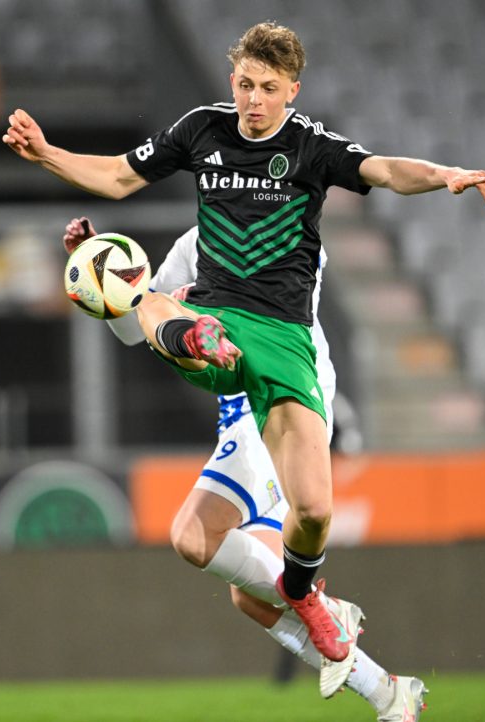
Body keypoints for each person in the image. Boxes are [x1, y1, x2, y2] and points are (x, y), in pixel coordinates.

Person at [5, 17, 485, 688]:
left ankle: (306, 597)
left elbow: (383, 170)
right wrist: (49, 158)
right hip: (216, 322)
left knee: (314, 513)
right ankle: (193, 336)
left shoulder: (311, 148)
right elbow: (121, 177)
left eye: (268, 88)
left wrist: (444, 175)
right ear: (231, 81)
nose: (253, 100)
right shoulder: (202, 135)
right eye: (244, 84)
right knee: (152, 301)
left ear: (292, 90)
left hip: (285, 339)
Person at [64, 216, 426, 721]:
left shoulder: (286, 228)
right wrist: (105, 273)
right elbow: (135, 322)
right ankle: (389, 694)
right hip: (240, 416)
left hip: (279, 402)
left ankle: (324, 611)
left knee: (194, 535)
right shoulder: (194, 244)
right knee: (252, 595)